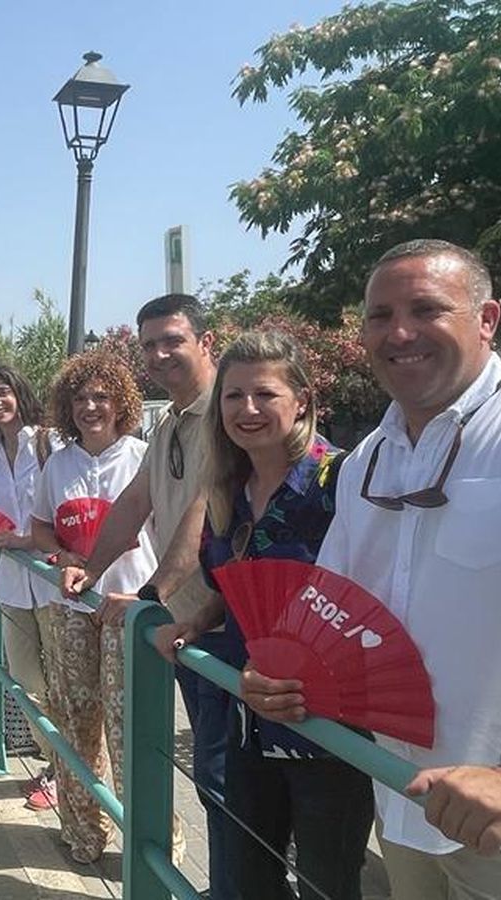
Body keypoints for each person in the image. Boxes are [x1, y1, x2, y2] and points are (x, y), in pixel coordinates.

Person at [232, 240, 501, 898]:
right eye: (380, 316)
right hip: (408, 801)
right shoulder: (368, 461)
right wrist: (280, 671)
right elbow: (333, 598)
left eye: (426, 309)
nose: (399, 332)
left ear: (487, 319)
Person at [179, 330, 374, 899]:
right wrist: (199, 618)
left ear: (302, 402)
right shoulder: (228, 489)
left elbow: (369, 600)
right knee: (248, 876)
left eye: (265, 394)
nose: (247, 409)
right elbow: (237, 584)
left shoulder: (338, 483)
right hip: (248, 715)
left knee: (326, 882)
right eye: (233, 396)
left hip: (328, 727)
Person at [58, 293, 235, 897]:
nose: (159, 355)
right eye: (149, 345)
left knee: (229, 773)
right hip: (189, 629)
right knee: (216, 772)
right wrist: (90, 565)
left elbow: (199, 521)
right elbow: (135, 503)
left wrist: (148, 592)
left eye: (173, 340)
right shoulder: (171, 424)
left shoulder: (227, 414)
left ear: (205, 342)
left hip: (230, 628)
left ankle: (229, 884)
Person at [30, 351, 176, 864]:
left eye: (101, 397)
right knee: (75, 720)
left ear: (121, 403)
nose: (90, 406)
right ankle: (83, 831)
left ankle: (158, 838)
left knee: (129, 726)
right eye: (79, 399)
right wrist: (66, 555)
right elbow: (40, 526)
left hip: (129, 609)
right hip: (71, 607)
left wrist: (154, 593)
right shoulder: (58, 464)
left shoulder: (143, 456)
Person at [0, 364, 62, 809]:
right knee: (26, 682)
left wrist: (29, 541)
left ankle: (73, 772)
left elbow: (68, 511)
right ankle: (57, 764)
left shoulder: (49, 443)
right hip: (9, 583)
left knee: (65, 681)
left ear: (18, 393)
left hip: (53, 582)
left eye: (2, 392)